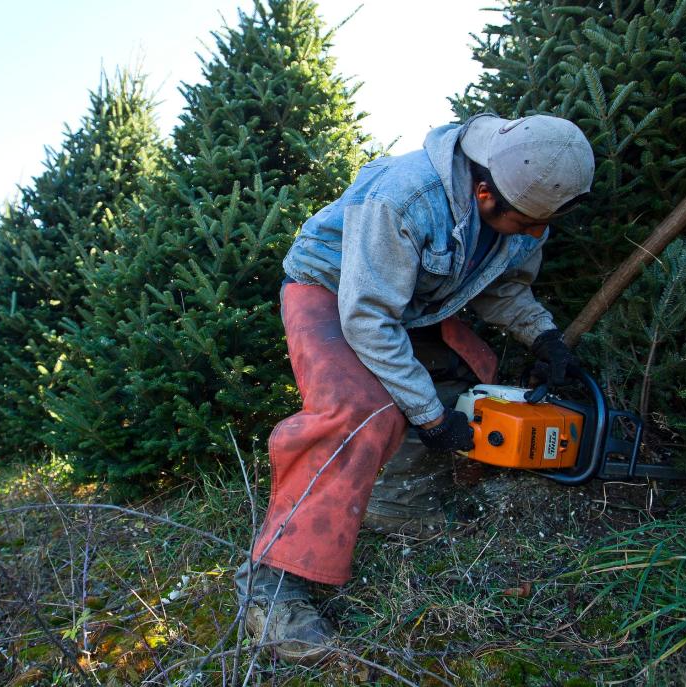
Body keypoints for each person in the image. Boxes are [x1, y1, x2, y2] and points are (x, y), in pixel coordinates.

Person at [235, 113, 594, 664]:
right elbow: (368, 318)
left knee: (476, 371)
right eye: (524, 225)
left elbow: (499, 286)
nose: (531, 237)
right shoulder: (404, 198)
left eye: (539, 228)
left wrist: (544, 337)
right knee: (358, 412)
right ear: (483, 193)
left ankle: (402, 504)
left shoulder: (522, 202)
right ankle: (270, 584)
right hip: (332, 289)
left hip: (412, 300)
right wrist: (428, 415)